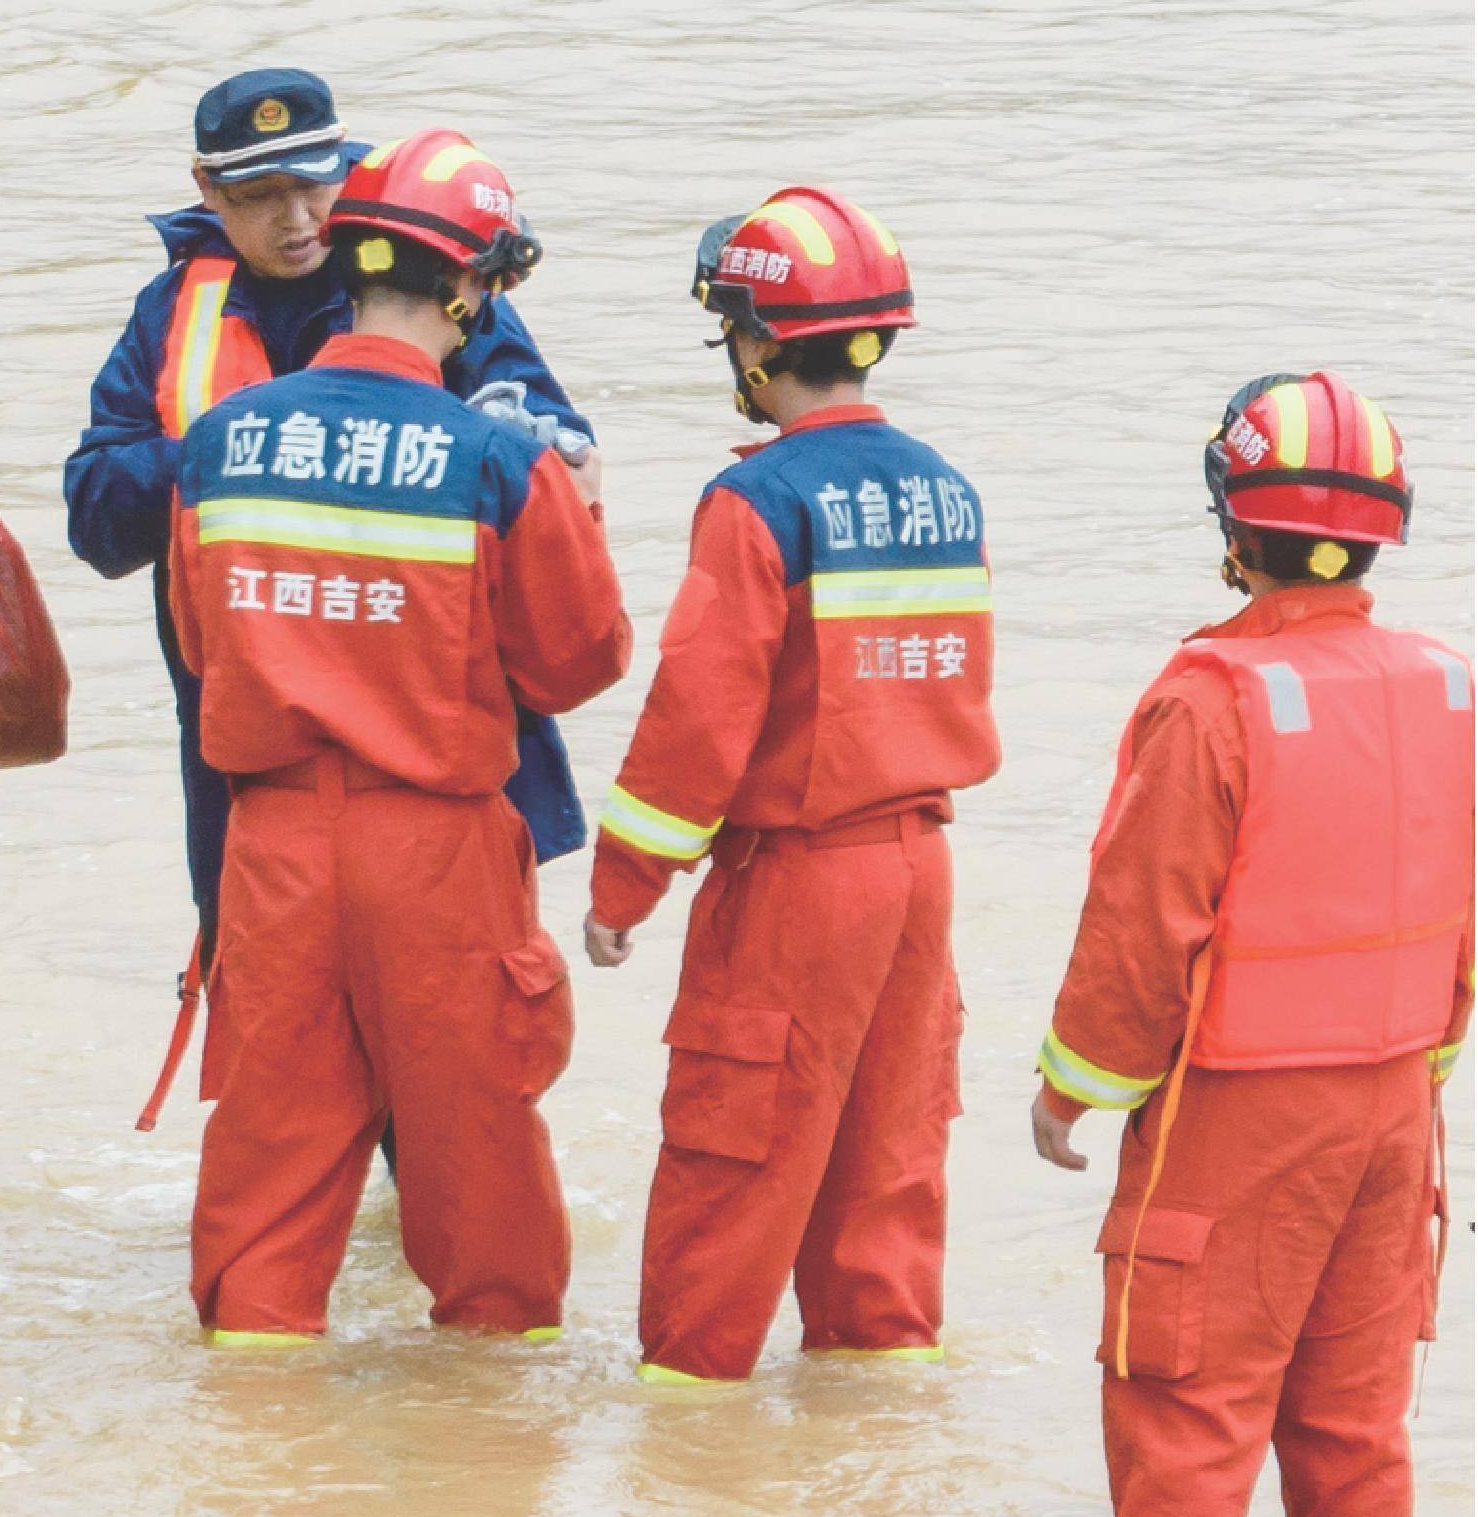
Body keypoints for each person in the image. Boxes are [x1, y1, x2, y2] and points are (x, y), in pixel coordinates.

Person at [167, 130, 630, 1343]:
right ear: (472, 288)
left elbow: (200, 643)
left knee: (268, 1174)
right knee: (479, 1168)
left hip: (269, 848)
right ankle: (476, 1466)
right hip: (435, 851)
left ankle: (257, 1467)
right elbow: (575, 662)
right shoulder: (497, 459)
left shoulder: (223, 442)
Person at [1031, 373, 1464, 1517]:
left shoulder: (1212, 700)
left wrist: (1071, 1091)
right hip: (1392, 1113)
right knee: (1355, 1422)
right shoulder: (1446, 684)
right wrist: (1426, 1059)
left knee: (1190, 1415)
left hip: (1239, 1120)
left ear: (1234, 532)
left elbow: (1140, 929)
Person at [63, 70, 604, 1022]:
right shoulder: (171, 312)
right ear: (206, 190)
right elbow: (97, 520)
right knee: (278, 1051)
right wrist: (247, 445)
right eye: (259, 197)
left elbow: (556, 457)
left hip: (438, 756)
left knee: (458, 1053)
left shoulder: (431, 271)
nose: (298, 217)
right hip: (255, 763)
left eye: (315, 183)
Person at [579, 192, 1001, 1383]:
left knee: (734, 1164)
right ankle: (877, 1447)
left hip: (800, 884)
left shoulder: (755, 501)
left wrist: (626, 886)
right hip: (921, 872)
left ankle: (690, 1440)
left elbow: (698, 723)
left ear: (759, 343)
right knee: (889, 1164)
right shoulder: (946, 491)